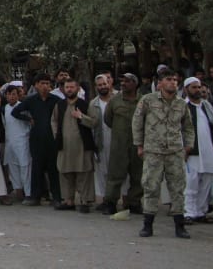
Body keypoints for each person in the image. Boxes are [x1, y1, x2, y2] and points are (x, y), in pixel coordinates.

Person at [133, 68, 194, 239]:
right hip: (153, 151)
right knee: (151, 186)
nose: (173, 82)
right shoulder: (148, 100)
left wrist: (188, 146)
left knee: (177, 188)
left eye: (175, 80)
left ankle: (180, 226)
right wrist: (139, 145)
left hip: (174, 152)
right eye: (169, 79)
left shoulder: (181, 103)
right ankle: (147, 225)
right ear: (160, 83)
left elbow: (188, 126)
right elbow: (137, 122)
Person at [12, 73, 61, 206]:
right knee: (37, 168)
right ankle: (35, 196)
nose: (45, 86)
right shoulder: (31, 100)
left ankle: (56, 197)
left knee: (53, 169)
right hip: (36, 139)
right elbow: (15, 112)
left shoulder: (56, 100)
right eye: (42, 83)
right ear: (36, 85)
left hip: (52, 139)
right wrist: (28, 119)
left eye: (47, 83)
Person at [52, 78, 97, 213]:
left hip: (82, 146)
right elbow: (53, 122)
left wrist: (81, 117)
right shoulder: (59, 105)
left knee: (84, 173)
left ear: (77, 89)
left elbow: (94, 122)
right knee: (65, 173)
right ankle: (68, 200)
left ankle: (84, 201)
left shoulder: (85, 104)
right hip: (64, 146)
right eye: (67, 87)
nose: (69, 89)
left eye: (72, 87)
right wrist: (56, 136)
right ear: (64, 89)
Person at [101, 73, 144, 214]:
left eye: (128, 81)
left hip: (138, 143)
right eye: (122, 81)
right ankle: (110, 202)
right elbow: (108, 119)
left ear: (135, 84)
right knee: (115, 174)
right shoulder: (115, 100)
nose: (124, 84)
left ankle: (134, 202)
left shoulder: (144, 100)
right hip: (119, 144)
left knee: (138, 175)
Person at [183, 76, 213, 224]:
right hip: (191, 152)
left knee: (206, 182)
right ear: (186, 90)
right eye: (194, 87)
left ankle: (201, 212)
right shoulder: (183, 107)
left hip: (208, 150)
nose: (197, 90)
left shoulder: (206, 106)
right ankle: (189, 212)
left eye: (198, 87)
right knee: (191, 183)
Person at [2, 83, 32, 202]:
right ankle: (18, 190)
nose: (11, 97)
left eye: (14, 94)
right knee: (13, 166)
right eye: (9, 94)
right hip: (10, 141)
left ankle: (28, 192)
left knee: (25, 166)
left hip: (22, 140)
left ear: (18, 95)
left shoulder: (23, 107)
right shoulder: (5, 108)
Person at [89, 74, 115, 205]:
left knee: (119, 172)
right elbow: (91, 124)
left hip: (118, 142)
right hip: (101, 141)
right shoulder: (93, 104)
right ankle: (106, 201)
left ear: (109, 84)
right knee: (102, 172)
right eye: (100, 85)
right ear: (96, 87)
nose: (103, 87)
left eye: (104, 84)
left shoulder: (118, 99)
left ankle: (123, 200)